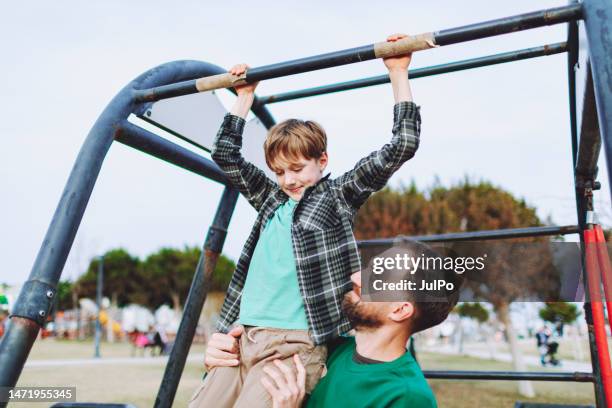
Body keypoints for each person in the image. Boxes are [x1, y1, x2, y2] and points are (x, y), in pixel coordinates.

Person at [189, 33, 421, 408]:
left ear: (322, 161)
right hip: (241, 335)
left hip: (293, 343)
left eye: (297, 169)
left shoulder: (336, 197)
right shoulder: (270, 200)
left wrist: (397, 71)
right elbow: (225, 153)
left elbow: (402, 146)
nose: (289, 179)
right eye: (280, 171)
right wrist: (244, 96)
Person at [200, 241, 464, 407]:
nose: (356, 276)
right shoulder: (322, 346)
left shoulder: (407, 397)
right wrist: (223, 356)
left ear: (400, 309)